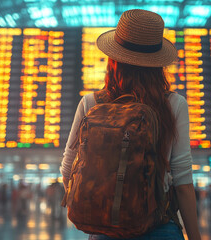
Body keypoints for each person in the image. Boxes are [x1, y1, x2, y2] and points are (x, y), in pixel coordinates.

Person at [60, 9, 201, 240]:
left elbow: (68, 169)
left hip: (104, 232)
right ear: (158, 63)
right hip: (159, 229)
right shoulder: (174, 104)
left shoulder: (91, 102)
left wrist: (101, 209)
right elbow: (183, 182)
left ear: (113, 58)